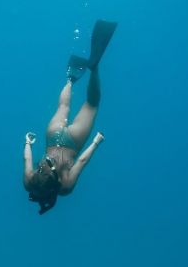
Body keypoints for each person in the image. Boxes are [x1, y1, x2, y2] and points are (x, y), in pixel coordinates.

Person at [23, 20, 117, 214]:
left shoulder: (64, 187)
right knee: (63, 105)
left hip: (73, 143)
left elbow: (81, 162)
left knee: (92, 104)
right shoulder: (29, 182)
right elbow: (26, 159)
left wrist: (96, 142)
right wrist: (28, 143)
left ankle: (94, 68)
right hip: (53, 135)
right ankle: (71, 79)